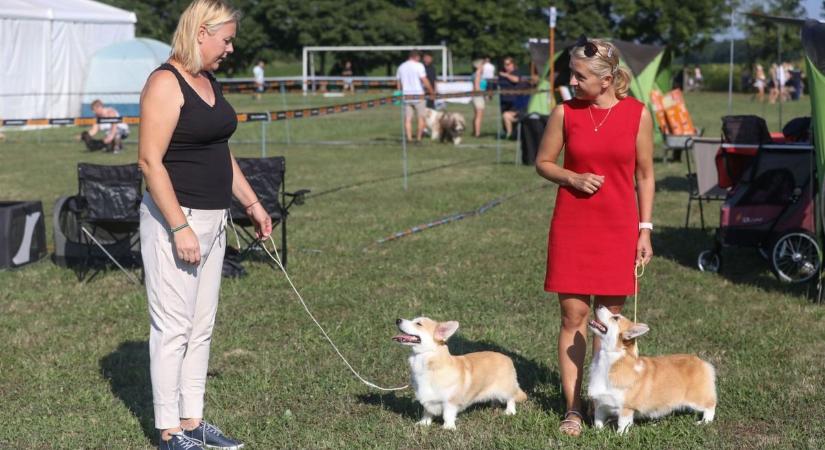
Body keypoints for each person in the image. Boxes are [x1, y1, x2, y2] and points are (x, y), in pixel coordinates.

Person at [137, 1, 272, 449]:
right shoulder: (164, 82)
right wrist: (179, 228)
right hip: (178, 222)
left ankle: (193, 421)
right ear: (200, 33)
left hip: (215, 220)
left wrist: (251, 203)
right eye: (226, 39)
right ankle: (169, 431)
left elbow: (219, 151)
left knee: (201, 326)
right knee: (173, 327)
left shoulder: (207, 80)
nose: (230, 49)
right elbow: (150, 162)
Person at [534, 37, 655, 437]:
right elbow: (543, 163)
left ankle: (604, 398)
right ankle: (573, 408)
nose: (571, 81)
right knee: (574, 316)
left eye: (579, 75)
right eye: (572, 73)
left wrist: (645, 230)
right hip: (572, 226)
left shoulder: (638, 115)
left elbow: (645, 176)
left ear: (606, 80)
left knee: (608, 322)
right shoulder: (564, 113)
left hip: (619, 228)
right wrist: (572, 176)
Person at [396, 50, 434, 142]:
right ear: (416, 57)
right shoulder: (419, 66)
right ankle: (418, 138)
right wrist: (432, 92)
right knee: (421, 118)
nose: (420, 60)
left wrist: (398, 94)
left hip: (406, 96)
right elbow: (424, 80)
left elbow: (398, 83)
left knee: (408, 119)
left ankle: (409, 138)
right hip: (418, 95)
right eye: (419, 58)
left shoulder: (401, 66)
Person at [498, 57, 526, 139]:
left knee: (508, 116)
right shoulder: (501, 74)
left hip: (515, 101)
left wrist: (506, 75)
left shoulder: (516, 72)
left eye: (508, 64)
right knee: (504, 118)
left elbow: (516, 80)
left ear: (512, 64)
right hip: (504, 101)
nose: (506, 66)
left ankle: (510, 134)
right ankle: (508, 133)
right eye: (504, 64)